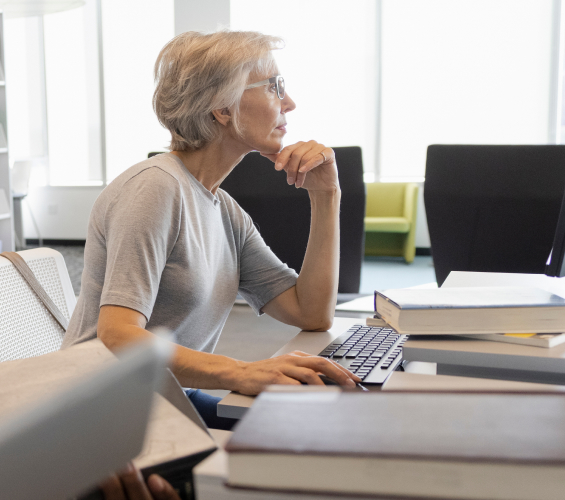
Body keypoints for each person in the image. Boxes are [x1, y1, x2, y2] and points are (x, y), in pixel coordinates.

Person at [61, 30, 360, 428]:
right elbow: (119, 337)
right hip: (96, 416)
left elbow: (311, 312)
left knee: (316, 425)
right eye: (274, 87)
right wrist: (241, 371)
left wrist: (327, 195)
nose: (289, 102)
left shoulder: (224, 210)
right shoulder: (155, 188)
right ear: (222, 107)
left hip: (162, 399)